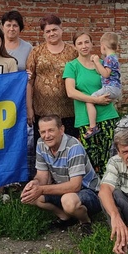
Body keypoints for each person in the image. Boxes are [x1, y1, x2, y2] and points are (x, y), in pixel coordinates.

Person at [20, 115, 100, 234]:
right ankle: (65, 217)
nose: (47, 135)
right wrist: (35, 183)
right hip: (64, 190)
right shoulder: (41, 143)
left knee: (68, 200)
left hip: (88, 191)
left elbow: (75, 186)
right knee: (30, 195)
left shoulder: (73, 146)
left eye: (51, 130)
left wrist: (41, 189)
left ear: (61, 130)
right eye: (43, 132)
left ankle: (85, 222)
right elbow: (42, 176)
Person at [63, 32, 119, 175]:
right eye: (80, 43)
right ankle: (92, 193)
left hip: (107, 115)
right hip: (86, 120)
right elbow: (71, 92)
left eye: (87, 42)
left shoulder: (101, 63)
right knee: (90, 159)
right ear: (75, 47)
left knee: (108, 158)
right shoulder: (72, 66)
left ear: (92, 44)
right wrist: (95, 100)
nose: (84, 46)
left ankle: (108, 191)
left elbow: (113, 82)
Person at [26, 14, 79, 138]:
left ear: (61, 28)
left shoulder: (73, 52)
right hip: (42, 111)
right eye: (47, 31)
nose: (51, 33)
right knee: (44, 146)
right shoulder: (36, 52)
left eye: (54, 29)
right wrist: (29, 108)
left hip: (68, 111)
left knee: (68, 146)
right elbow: (29, 81)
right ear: (43, 34)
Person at [85, 32, 122, 138]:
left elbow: (106, 74)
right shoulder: (114, 58)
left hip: (110, 88)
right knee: (96, 100)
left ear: (103, 46)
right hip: (114, 88)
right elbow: (101, 72)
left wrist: (97, 62)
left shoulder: (109, 58)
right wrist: (96, 64)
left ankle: (92, 127)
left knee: (90, 100)